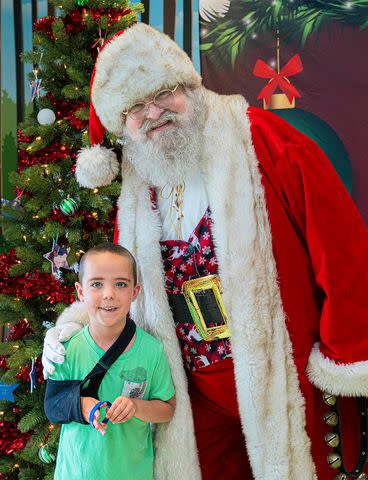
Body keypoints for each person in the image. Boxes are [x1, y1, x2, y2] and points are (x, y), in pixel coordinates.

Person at [42, 23, 368, 480]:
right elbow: (121, 279)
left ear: (189, 85)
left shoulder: (266, 141)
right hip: (193, 393)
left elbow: (343, 250)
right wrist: (77, 323)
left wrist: (345, 350)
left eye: (164, 92)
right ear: (124, 125)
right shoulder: (137, 187)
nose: (154, 112)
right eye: (136, 107)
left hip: (279, 372)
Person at [44, 242, 176, 480]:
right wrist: (84, 406)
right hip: (75, 473)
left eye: (120, 284)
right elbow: (53, 407)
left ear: (134, 292)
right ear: (80, 291)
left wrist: (136, 407)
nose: (109, 294)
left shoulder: (151, 350)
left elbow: (166, 409)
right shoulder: (67, 349)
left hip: (132, 474)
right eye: (96, 284)